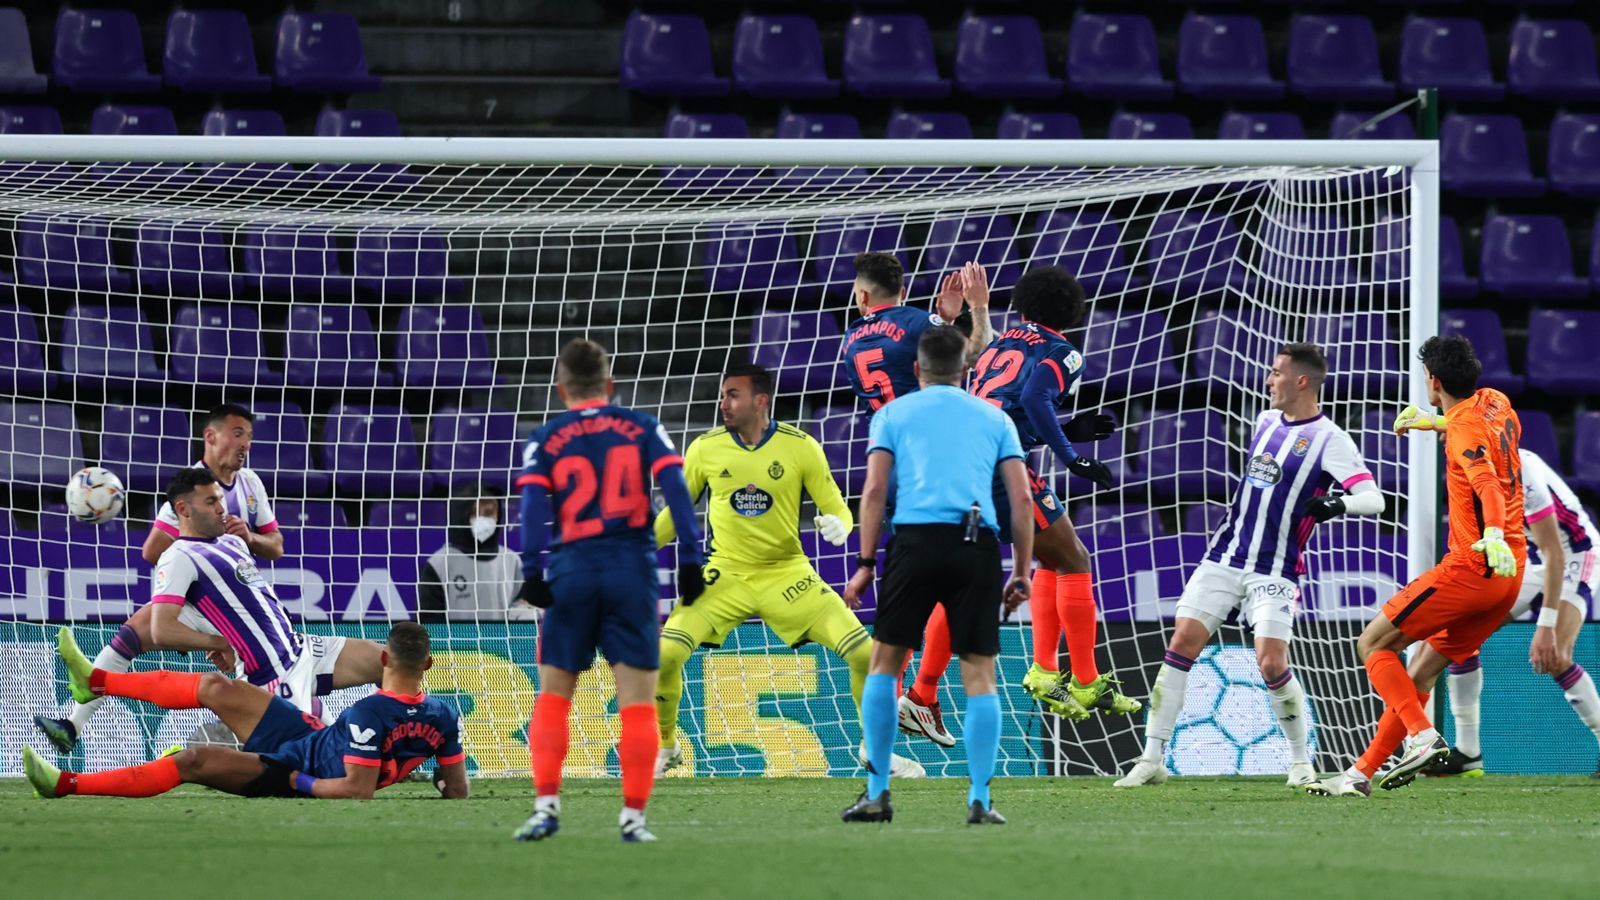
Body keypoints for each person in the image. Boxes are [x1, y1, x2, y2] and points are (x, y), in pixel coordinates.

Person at [1116, 344, 1385, 789]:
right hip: (1224, 556)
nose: (1268, 380)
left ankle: (1300, 762)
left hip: (1275, 569)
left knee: (1270, 662)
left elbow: (1374, 498)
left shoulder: (1331, 439)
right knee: (1182, 642)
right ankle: (1151, 758)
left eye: (1276, 373)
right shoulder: (1263, 422)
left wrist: (1338, 503)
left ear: (1301, 381)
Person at [653, 363, 924, 779]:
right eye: (724, 394)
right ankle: (667, 746)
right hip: (725, 574)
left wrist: (841, 524)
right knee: (666, 654)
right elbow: (677, 511)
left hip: (787, 575)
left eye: (733, 394)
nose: (723, 403)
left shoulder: (801, 446)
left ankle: (874, 750)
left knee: (865, 654)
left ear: (761, 400)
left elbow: (836, 506)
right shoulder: (704, 448)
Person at [1308, 335, 1525, 797]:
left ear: (1434, 379)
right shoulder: (1496, 402)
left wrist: (1489, 535)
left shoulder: (1464, 426)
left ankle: (1422, 735)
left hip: (1475, 565)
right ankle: (1359, 774)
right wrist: (1434, 422)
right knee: (1422, 671)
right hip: (1510, 573)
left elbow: (1485, 483)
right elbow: (1475, 434)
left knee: (1373, 643)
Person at [512, 339, 705, 844]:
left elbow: (532, 504)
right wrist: (689, 557)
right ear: (610, 384)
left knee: (555, 694)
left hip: (572, 568)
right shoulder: (641, 425)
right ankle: (633, 819)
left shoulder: (547, 436)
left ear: (561, 389)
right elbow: (677, 487)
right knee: (637, 701)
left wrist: (533, 570)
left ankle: (546, 807)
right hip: (631, 570)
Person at [839, 326, 1034, 824]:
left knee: (884, 665)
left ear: (917, 369)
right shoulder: (994, 417)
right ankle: (980, 800)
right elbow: (1022, 499)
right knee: (979, 675)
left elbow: (875, 490)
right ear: (966, 370)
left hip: (915, 542)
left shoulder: (892, 414)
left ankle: (879, 793)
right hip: (975, 546)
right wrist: (1021, 571)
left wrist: (864, 564)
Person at [36, 403, 283, 752]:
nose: (245, 444)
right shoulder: (191, 492)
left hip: (245, 603)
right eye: (238, 433)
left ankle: (231, 748)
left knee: (261, 693)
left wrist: (248, 538)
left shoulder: (250, 484)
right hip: (210, 600)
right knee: (136, 629)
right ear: (210, 436)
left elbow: (275, 546)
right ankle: (72, 724)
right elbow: (153, 550)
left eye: (249, 437)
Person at [23, 622, 468, 801]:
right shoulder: (444, 715)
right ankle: (97, 681)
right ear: (428, 665)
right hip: (308, 733)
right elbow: (458, 790)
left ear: (384, 660)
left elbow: (357, 790)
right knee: (218, 686)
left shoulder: (373, 710)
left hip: (295, 765)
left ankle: (65, 785)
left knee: (192, 760)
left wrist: (298, 781)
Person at [77, 470, 382, 728]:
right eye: (211, 501)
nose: (221, 508)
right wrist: (221, 643)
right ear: (183, 509)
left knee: (390, 661)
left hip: (302, 648)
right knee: (323, 768)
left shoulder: (234, 541)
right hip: (269, 676)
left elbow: (247, 606)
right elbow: (162, 630)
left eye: (220, 499)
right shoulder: (177, 558)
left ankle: (407, 746)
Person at [963, 265, 1134, 720]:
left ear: (1023, 305)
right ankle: (1083, 679)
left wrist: (1071, 427)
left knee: (1056, 559)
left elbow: (1010, 406)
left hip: (972, 463)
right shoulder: (1064, 352)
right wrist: (1072, 455)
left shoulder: (997, 343)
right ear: (1074, 313)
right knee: (1074, 559)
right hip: (1003, 470)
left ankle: (1048, 670)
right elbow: (1037, 400)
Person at [840, 251, 993, 748]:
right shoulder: (915, 322)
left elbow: (909, 368)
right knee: (959, 582)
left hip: (893, 465)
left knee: (905, 595)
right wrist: (971, 311)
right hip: (939, 468)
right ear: (901, 288)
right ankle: (921, 697)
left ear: (863, 295)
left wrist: (941, 320)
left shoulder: (850, 341)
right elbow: (969, 360)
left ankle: (897, 717)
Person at [1433, 448, 1600, 777]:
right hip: (1530, 558)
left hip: (1575, 556)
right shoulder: (1471, 467)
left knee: (1557, 656)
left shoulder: (1522, 470)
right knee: (1460, 635)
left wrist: (1546, 625)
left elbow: (1557, 552)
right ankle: (1467, 753)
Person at [418, 489, 537, 622]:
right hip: (457, 642)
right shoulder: (439, 563)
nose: (483, 519)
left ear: (498, 516)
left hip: (502, 642)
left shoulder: (512, 560)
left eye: (489, 513)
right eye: (475, 513)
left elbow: (524, 606)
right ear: (462, 517)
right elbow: (430, 623)